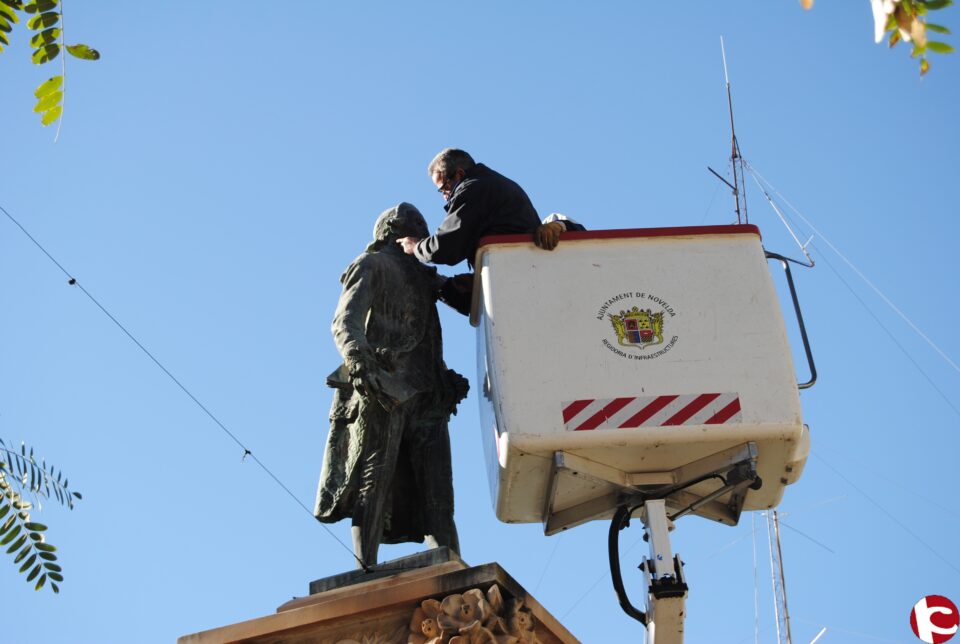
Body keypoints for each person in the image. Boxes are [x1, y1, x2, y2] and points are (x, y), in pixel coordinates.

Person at [315, 203, 469, 569]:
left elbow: (460, 305)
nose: (420, 232)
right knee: (374, 480)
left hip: (428, 392)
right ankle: (365, 568)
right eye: (414, 226)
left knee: (438, 493)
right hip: (384, 385)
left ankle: (449, 571)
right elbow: (344, 321)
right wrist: (360, 362)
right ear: (391, 233)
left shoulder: (425, 278)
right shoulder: (371, 265)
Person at [397, 148, 582, 315]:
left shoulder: (473, 189)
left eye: (444, 188)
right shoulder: (494, 184)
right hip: (524, 274)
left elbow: (444, 247)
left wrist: (416, 246)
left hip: (515, 277)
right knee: (455, 291)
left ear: (459, 174)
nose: (445, 196)